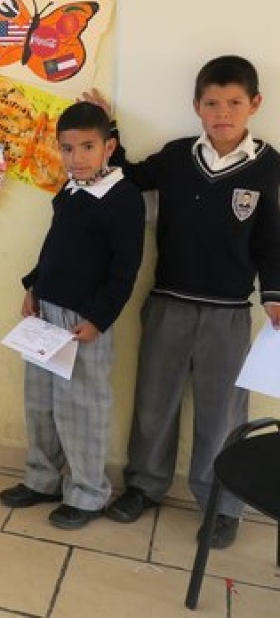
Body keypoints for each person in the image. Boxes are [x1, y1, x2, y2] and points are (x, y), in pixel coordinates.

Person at [101, 55, 280, 549]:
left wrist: (273, 295)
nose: (223, 113)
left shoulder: (269, 165)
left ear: (255, 104)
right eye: (212, 103)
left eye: (234, 103)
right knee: (154, 402)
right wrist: (107, 128)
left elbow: (271, 240)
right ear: (197, 105)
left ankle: (222, 505)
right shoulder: (178, 156)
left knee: (223, 414)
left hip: (229, 313)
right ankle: (144, 486)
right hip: (169, 302)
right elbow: (128, 176)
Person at [0, 102, 145, 530]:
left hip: (84, 323)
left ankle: (87, 492)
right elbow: (55, 247)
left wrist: (99, 318)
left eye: (87, 147)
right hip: (45, 312)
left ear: (108, 147)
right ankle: (43, 479)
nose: (76, 157)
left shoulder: (124, 198)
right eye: (67, 148)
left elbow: (125, 270)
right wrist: (33, 286)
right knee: (41, 402)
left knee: (81, 406)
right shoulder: (70, 189)